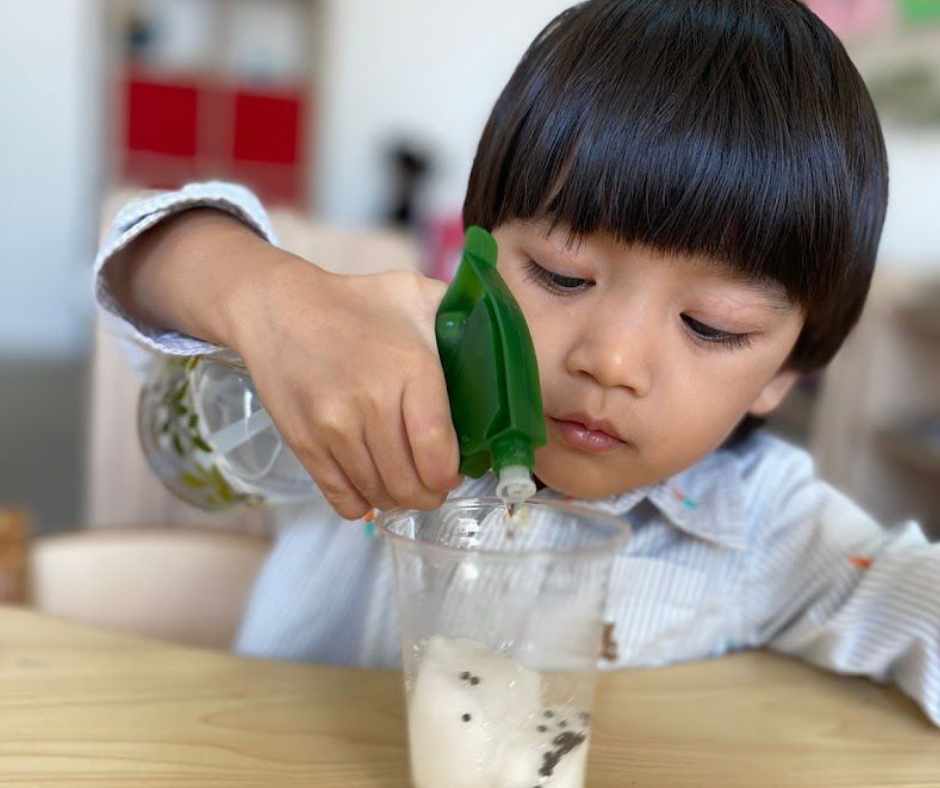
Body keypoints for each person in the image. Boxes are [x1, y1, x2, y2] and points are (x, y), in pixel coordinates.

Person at [94, 0, 939, 725]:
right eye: (562, 276)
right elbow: (138, 269)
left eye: (711, 327)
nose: (610, 360)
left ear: (784, 374)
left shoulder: (772, 531)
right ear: (479, 255)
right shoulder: (380, 389)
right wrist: (269, 300)